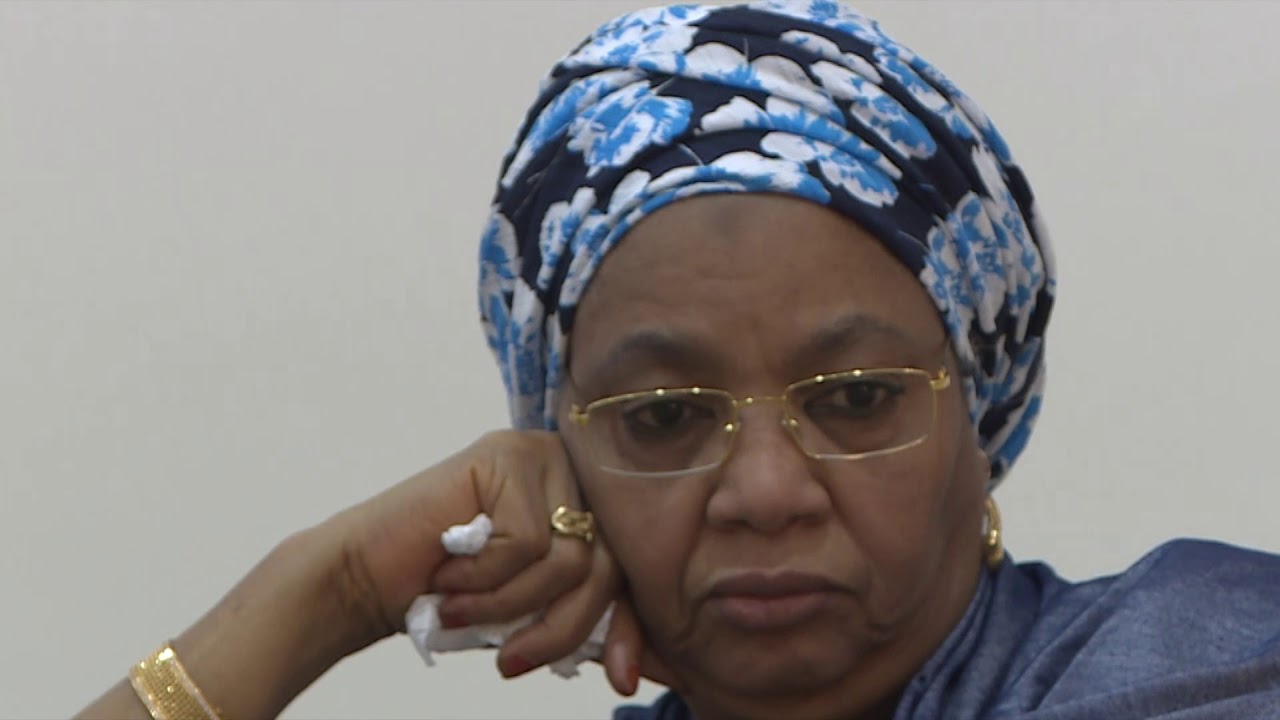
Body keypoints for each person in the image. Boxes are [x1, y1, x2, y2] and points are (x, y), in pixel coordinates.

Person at [74, 2, 1280, 719]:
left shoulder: (1210, 664)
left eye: (855, 398)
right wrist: (326, 591)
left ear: (982, 405)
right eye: (661, 417)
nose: (763, 491)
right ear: (561, 454)